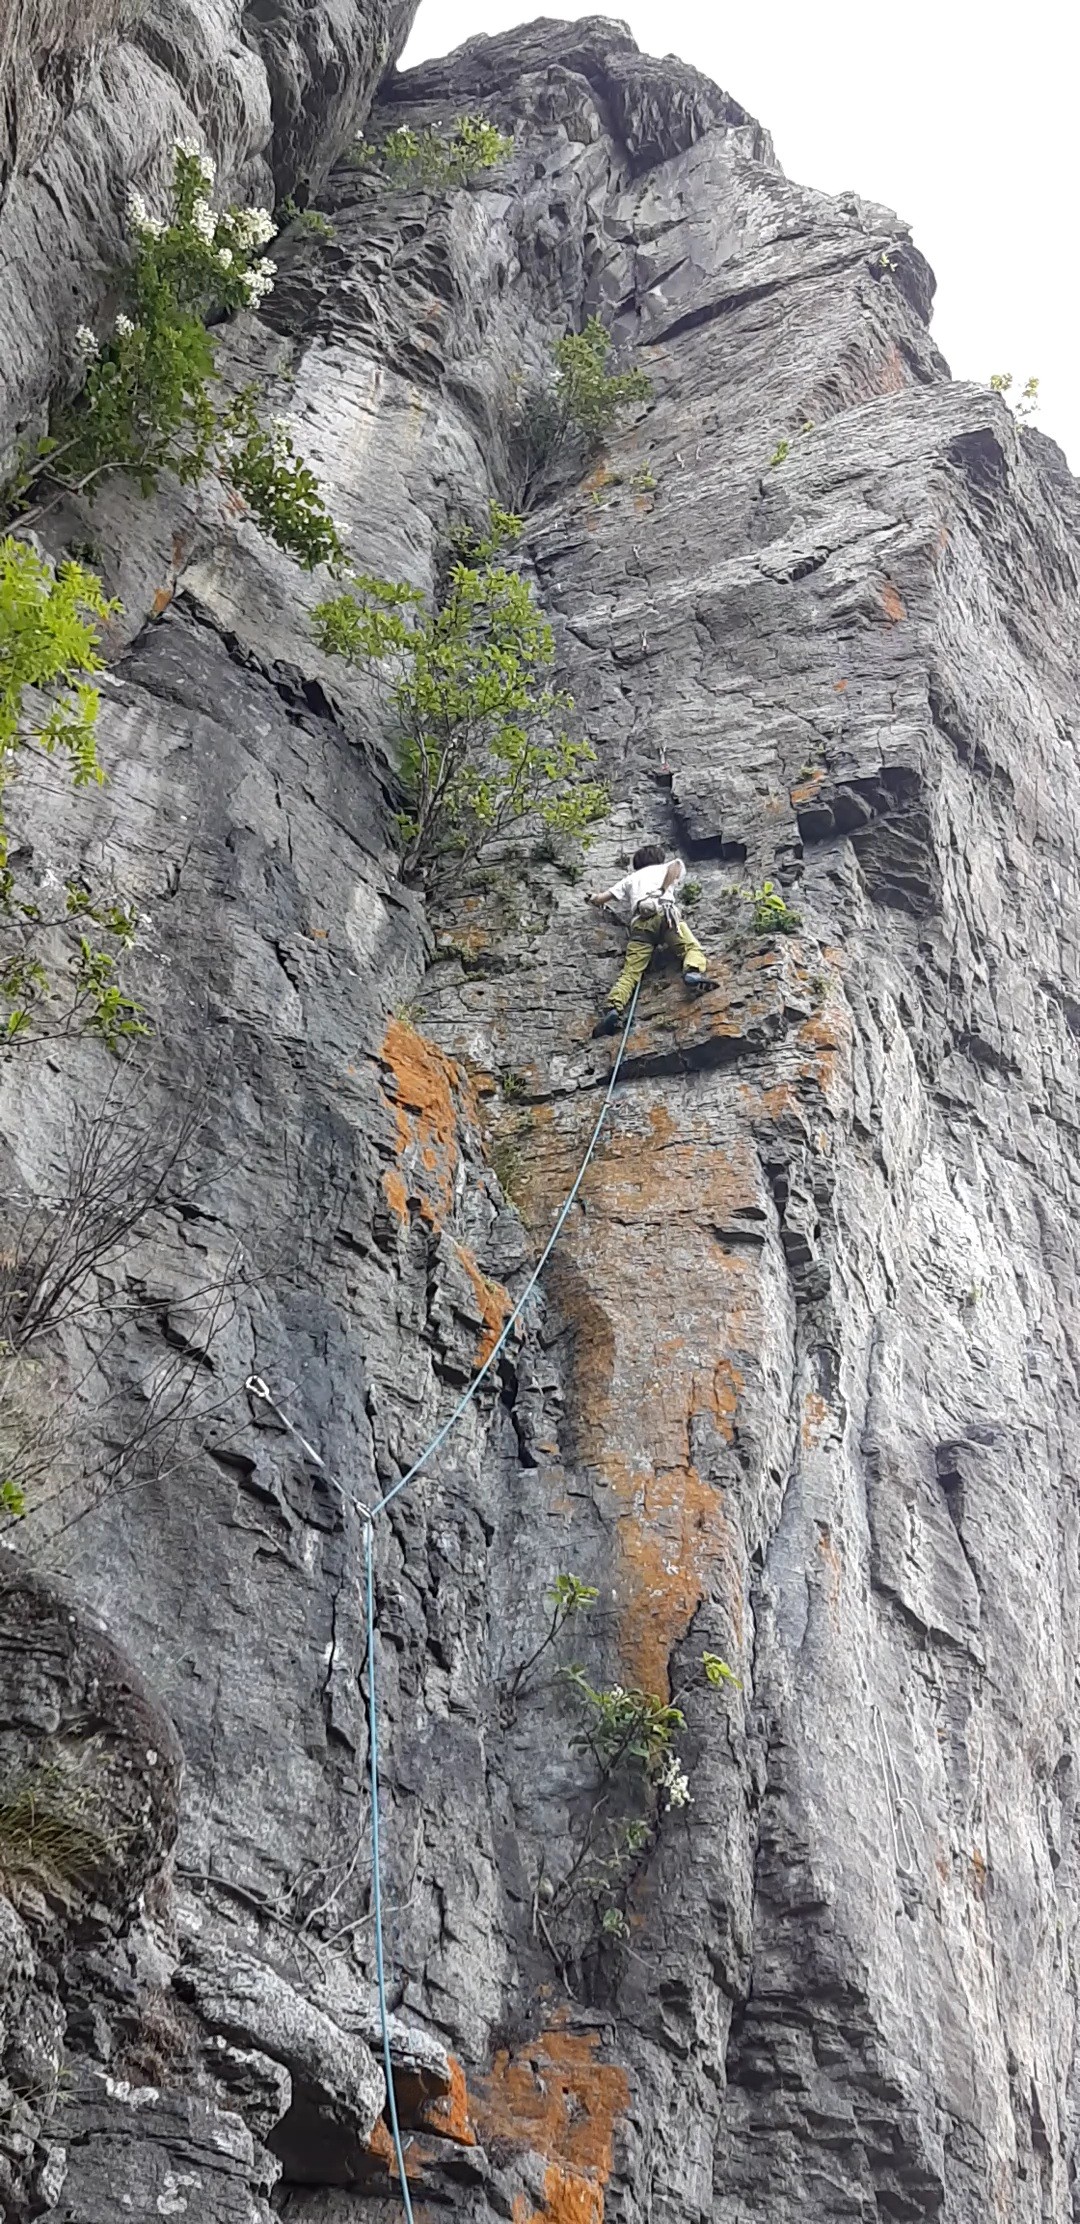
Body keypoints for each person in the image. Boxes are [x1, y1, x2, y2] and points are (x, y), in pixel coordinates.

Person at [585, 843, 707, 1036]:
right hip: (665, 914)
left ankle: (613, 1008)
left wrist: (593, 898)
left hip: (640, 923)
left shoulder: (630, 878)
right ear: (658, 858)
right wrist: (663, 889)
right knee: (691, 948)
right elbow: (675, 865)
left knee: (631, 972)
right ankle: (692, 971)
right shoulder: (664, 867)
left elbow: (602, 898)